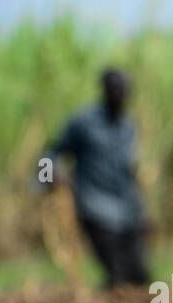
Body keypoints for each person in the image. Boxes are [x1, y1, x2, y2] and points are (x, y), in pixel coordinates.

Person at [41, 68, 151, 288]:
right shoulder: (83, 123)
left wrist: (142, 212)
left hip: (127, 212)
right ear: (105, 90)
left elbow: (130, 174)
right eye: (115, 89)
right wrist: (50, 175)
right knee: (118, 273)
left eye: (124, 90)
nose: (120, 95)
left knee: (140, 274)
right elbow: (50, 153)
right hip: (95, 207)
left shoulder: (127, 127)